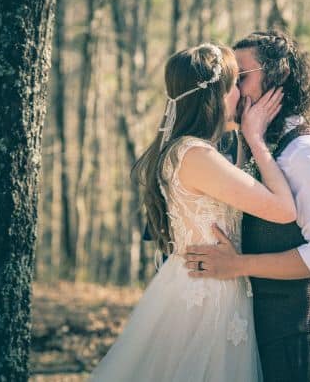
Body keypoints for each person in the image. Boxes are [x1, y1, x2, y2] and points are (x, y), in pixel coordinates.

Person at [89, 42, 296, 382]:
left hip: (205, 283)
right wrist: (256, 139)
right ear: (216, 96)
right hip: (206, 298)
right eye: (234, 86)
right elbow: (285, 210)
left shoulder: (191, 150)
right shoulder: (196, 156)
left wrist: (245, 138)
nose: (242, 95)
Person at [184, 31, 310, 382]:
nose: (233, 87)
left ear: (278, 77)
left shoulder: (305, 152)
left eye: (241, 77)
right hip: (252, 337)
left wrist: (238, 266)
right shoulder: (247, 143)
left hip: (296, 343)